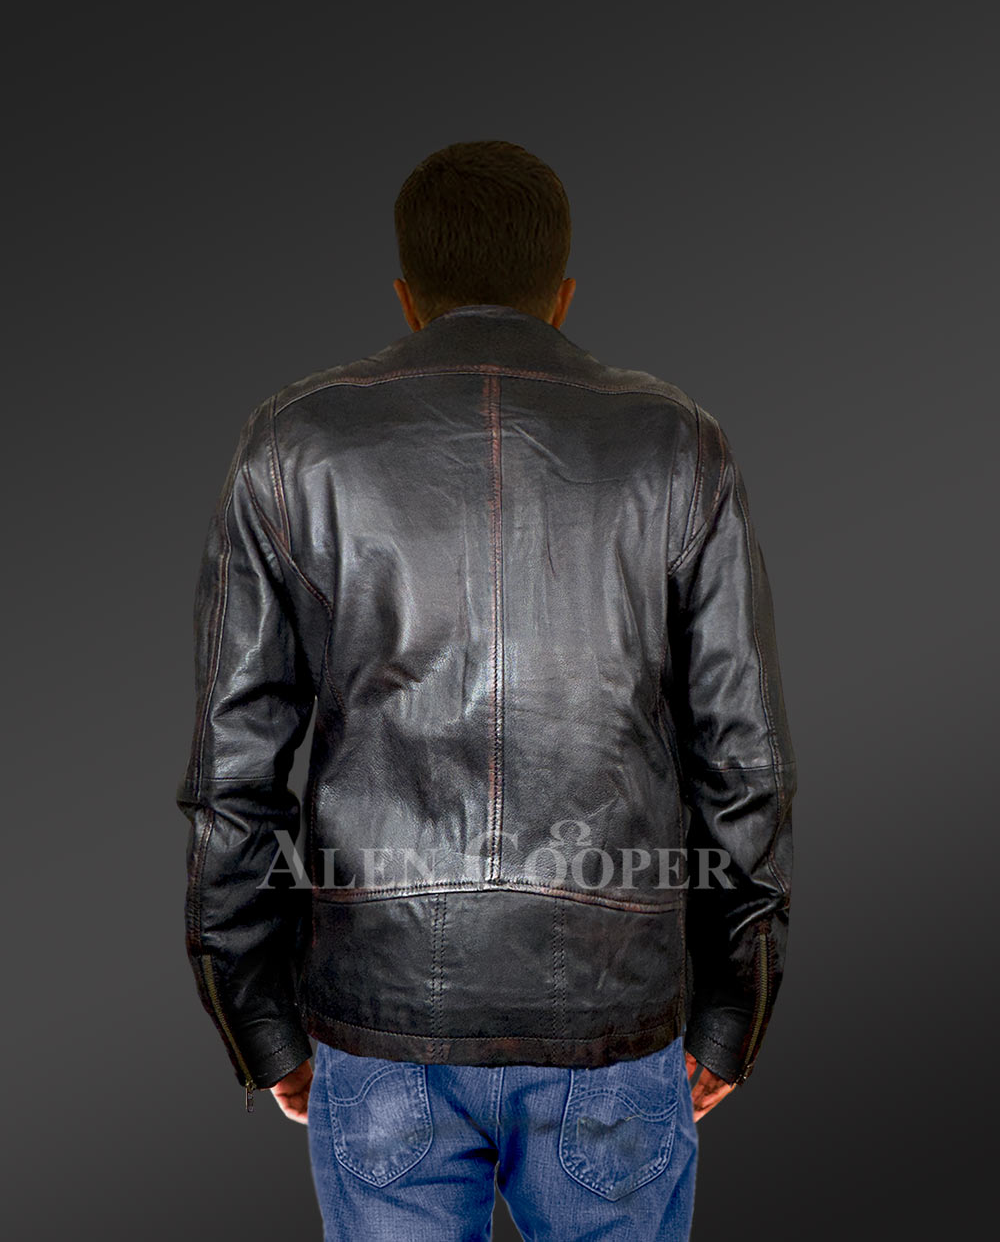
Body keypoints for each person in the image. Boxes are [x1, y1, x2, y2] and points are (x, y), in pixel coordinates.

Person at [176, 139, 796, 1240]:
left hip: (379, 1017)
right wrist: (732, 1009)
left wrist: (258, 1019)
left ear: (406, 296)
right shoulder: (677, 445)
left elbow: (235, 770)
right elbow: (742, 761)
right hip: (613, 1014)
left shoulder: (294, 444)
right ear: (563, 293)